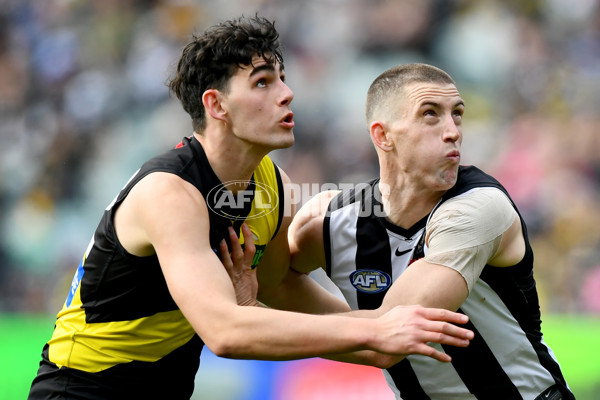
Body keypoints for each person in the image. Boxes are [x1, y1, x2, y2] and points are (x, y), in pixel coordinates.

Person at [27, 18, 474, 400]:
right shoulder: (168, 191)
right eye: (263, 82)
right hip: (80, 388)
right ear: (216, 105)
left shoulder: (272, 184)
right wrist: (374, 331)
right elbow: (226, 331)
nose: (287, 94)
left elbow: (279, 290)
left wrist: (379, 330)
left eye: (282, 78)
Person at [284, 63, 575, 399]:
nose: (453, 131)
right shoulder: (330, 220)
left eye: (457, 114)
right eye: (431, 114)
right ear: (383, 135)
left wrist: (259, 323)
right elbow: (279, 280)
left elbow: (387, 340)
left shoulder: (478, 208)